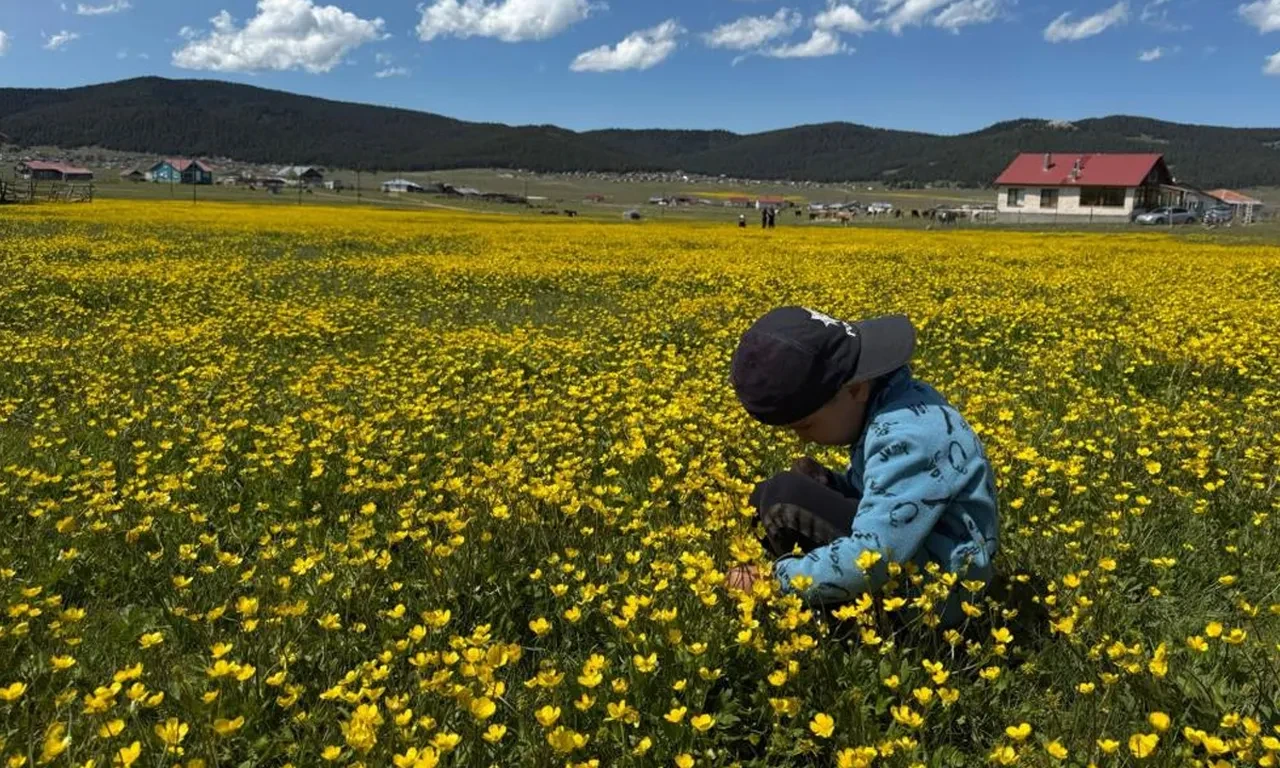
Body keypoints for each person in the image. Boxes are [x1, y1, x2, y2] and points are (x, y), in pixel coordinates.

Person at [726, 306, 998, 628]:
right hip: (916, 554)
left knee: (785, 499)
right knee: (774, 494)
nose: (803, 440)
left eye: (805, 426)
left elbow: (873, 557)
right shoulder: (893, 400)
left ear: (855, 388)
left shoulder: (908, 440)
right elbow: (887, 500)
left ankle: (834, 621)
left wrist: (773, 581)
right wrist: (835, 483)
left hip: (936, 600)